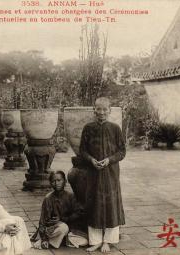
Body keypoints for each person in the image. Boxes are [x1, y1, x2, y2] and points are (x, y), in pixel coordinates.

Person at [79, 97, 126, 253]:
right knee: (94, 204)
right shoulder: (88, 128)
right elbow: (82, 151)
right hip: (93, 173)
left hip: (111, 172)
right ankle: (96, 240)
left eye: (105, 109)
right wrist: (91, 160)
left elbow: (122, 152)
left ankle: (109, 240)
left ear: (110, 111)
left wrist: (109, 160)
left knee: (111, 203)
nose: (101, 112)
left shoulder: (115, 129)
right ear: (94, 110)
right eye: (98, 109)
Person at [31, 171, 88, 249]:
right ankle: (46, 241)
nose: (56, 183)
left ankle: (61, 240)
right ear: (51, 183)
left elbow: (78, 213)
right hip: (54, 229)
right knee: (63, 228)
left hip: (68, 228)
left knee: (85, 241)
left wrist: (63, 219)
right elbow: (42, 221)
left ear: (65, 181)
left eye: (59, 180)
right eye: (53, 181)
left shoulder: (71, 196)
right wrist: (44, 238)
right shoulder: (48, 198)